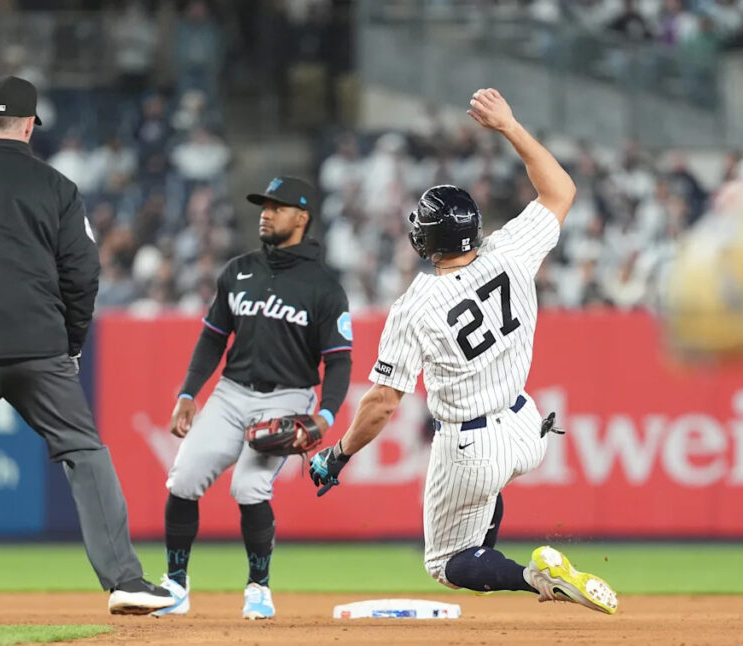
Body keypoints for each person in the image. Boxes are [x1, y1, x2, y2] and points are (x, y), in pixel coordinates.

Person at [308, 89, 619, 615]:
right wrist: (510, 126)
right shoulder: (511, 250)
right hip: (526, 426)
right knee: (478, 517)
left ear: (426, 240)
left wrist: (338, 454)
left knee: (446, 563)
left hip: (472, 445)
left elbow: (382, 402)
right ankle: (493, 554)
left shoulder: (416, 305)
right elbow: (561, 190)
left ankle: (537, 578)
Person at [0, 76, 174, 638]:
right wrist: (71, 340)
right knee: (84, 452)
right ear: (28, 127)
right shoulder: (58, 187)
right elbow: (83, 274)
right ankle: (124, 580)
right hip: (41, 344)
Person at [157, 176, 353, 619]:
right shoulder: (238, 270)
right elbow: (212, 338)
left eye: (277, 207)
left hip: (288, 398)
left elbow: (339, 361)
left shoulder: (324, 286)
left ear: (301, 217)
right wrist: (188, 392)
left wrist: (324, 416)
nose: (266, 213)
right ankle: (175, 585)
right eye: (264, 206)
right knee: (183, 479)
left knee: (248, 487)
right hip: (230, 394)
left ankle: (258, 588)